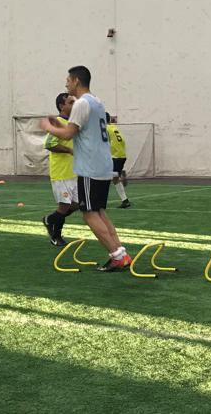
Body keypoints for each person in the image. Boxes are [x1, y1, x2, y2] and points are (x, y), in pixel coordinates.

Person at [41, 66, 131, 272]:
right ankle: (121, 253)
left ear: (76, 81)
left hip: (90, 166)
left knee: (89, 214)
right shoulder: (97, 101)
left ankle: (117, 256)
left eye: (68, 80)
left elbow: (68, 134)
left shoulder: (82, 103)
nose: (66, 84)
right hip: (103, 163)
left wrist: (48, 127)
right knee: (99, 212)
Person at [42, 93, 78, 246]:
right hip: (61, 173)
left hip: (73, 172)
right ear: (61, 106)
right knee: (64, 205)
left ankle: (50, 219)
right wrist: (69, 151)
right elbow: (49, 144)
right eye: (70, 103)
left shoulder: (71, 124)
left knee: (77, 204)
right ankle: (56, 235)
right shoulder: (58, 123)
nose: (74, 105)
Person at [106, 113, 130, 208]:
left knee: (105, 177)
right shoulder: (114, 127)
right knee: (114, 178)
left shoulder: (105, 129)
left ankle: (98, 201)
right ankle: (125, 201)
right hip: (121, 155)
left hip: (115, 157)